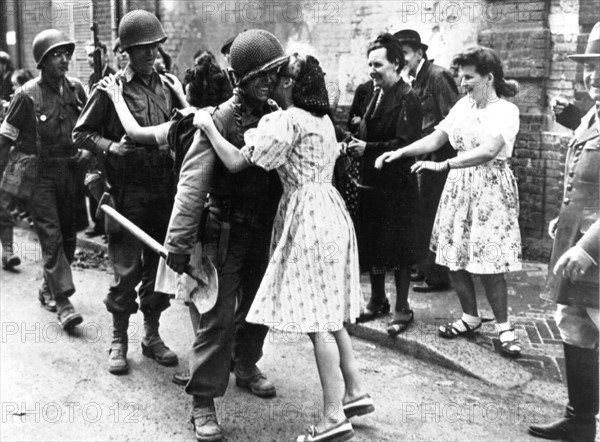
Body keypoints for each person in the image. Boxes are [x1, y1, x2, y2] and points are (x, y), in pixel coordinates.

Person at [376, 46, 523, 356]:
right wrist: (401, 152)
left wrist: (442, 165)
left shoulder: (506, 111)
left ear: (488, 78)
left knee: (489, 264)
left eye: (468, 76)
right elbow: (438, 137)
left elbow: (488, 151)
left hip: (490, 189)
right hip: (459, 187)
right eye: (460, 74)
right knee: (454, 257)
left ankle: (504, 326)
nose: (461, 81)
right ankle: (470, 317)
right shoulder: (463, 106)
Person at [73, 10, 185, 375]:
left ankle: (151, 336)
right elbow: (81, 134)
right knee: (126, 272)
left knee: (160, 269)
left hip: (164, 191)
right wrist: (111, 148)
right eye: (142, 49)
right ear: (126, 52)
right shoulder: (110, 90)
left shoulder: (169, 86)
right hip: (127, 193)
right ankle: (119, 339)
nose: (150, 55)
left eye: (154, 47)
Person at [528, 21, 600, 442]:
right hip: (577, 245)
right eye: (589, 66)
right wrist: (565, 219)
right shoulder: (592, 113)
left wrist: (588, 247)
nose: (592, 75)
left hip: (593, 253)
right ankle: (580, 420)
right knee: (573, 324)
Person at [0, 29, 88, 326]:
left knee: (70, 237)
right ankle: (63, 303)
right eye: (56, 55)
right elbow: (5, 138)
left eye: (66, 54)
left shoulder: (76, 89)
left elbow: (90, 131)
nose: (64, 60)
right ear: (42, 61)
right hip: (40, 177)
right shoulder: (26, 95)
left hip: (72, 173)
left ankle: (48, 288)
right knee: (51, 238)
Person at [347, 33, 423, 337]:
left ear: (395, 63)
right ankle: (377, 299)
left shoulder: (408, 97)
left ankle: (402, 307)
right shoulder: (368, 92)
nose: (371, 70)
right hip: (370, 182)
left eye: (377, 64)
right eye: (369, 64)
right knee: (374, 240)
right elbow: (353, 121)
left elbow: (405, 143)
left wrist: (369, 148)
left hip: (398, 185)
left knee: (400, 246)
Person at [394, 29, 459, 293]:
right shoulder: (412, 79)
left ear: (419, 53)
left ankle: (438, 277)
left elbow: (452, 118)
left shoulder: (437, 76)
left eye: (406, 54)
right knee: (420, 214)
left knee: (434, 214)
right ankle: (425, 268)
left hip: (438, 157)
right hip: (421, 154)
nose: (402, 61)